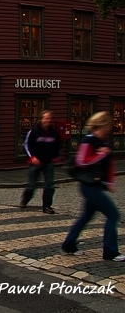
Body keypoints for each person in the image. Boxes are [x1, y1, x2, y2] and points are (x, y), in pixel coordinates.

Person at [61, 112, 125, 261]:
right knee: (113, 215)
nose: (110, 128)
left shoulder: (103, 142)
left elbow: (109, 163)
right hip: (89, 186)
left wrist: (109, 182)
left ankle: (69, 244)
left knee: (86, 216)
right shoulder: (88, 141)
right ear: (102, 124)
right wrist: (100, 155)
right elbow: (81, 161)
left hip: (97, 185)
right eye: (108, 125)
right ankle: (110, 252)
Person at [18, 110, 62, 214]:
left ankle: (47, 206)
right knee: (32, 184)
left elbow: (58, 146)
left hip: (48, 162)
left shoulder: (54, 133)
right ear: (41, 119)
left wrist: (55, 157)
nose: (48, 120)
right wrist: (32, 157)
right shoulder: (34, 132)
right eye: (46, 118)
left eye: (50, 118)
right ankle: (25, 200)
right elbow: (27, 145)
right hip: (35, 162)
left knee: (49, 185)